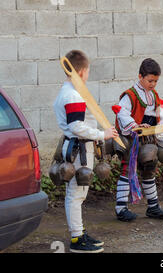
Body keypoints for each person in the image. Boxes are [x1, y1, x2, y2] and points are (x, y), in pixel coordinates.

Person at [53, 50, 119, 253]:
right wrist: (102, 134)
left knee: (77, 193)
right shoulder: (72, 95)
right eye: (88, 70)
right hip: (79, 148)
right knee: (76, 194)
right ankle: (76, 239)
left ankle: (79, 233)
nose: (88, 74)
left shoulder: (69, 91)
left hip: (77, 146)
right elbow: (76, 127)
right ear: (81, 71)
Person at [113, 58, 163, 222]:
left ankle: (153, 207)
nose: (153, 84)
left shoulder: (154, 95)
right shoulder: (129, 95)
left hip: (148, 140)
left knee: (149, 169)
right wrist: (136, 126)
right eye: (150, 80)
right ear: (140, 76)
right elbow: (122, 113)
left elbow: (160, 115)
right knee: (127, 170)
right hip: (131, 139)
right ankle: (121, 208)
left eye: (156, 81)